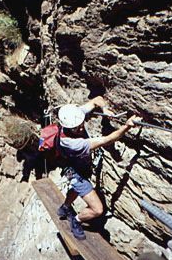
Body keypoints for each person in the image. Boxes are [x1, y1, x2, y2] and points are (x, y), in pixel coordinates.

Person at [56, 96, 142, 240]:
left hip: (77, 166)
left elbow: (97, 99)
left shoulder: (73, 117)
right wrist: (127, 126)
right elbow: (107, 140)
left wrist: (104, 109)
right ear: (69, 128)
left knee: (76, 189)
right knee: (97, 209)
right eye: (78, 127)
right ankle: (76, 221)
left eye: (81, 123)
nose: (82, 127)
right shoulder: (72, 144)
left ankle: (65, 207)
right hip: (73, 172)